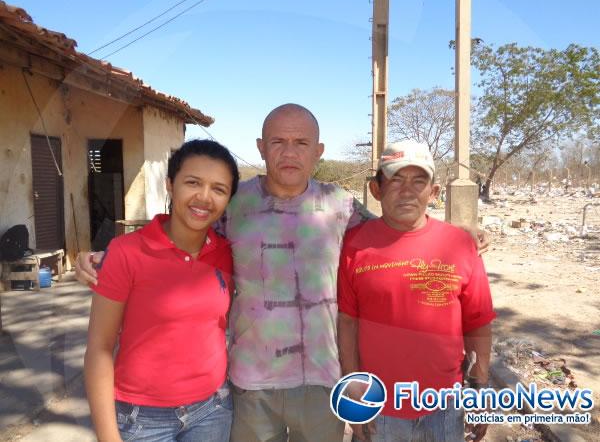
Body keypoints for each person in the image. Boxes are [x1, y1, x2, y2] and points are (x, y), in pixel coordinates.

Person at [77, 105, 488, 442]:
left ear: (318, 151)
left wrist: (459, 235)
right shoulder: (232, 205)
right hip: (251, 384)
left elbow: (394, 231)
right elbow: (183, 228)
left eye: (301, 143)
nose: (289, 152)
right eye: (278, 141)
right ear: (261, 147)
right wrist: (107, 254)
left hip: (322, 383)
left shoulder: (341, 206)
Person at [337, 140, 496, 442]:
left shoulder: (461, 245)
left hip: (446, 405)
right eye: (396, 179)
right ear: (376, 190)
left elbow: (477, 323)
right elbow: (347, 324)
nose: (407, 190)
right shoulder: (355, 246)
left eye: (418, 181)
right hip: (379, 407)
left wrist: (481, 391)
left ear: (433, 193)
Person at [84, 139, 239, 442]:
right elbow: (99, 347)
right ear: (170, 184)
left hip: (213, 410)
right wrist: (107, 436)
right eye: (192, 182)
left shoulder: (228, 254)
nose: (204, 197)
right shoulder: (127, 252)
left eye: (219, 189)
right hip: (141, 420)